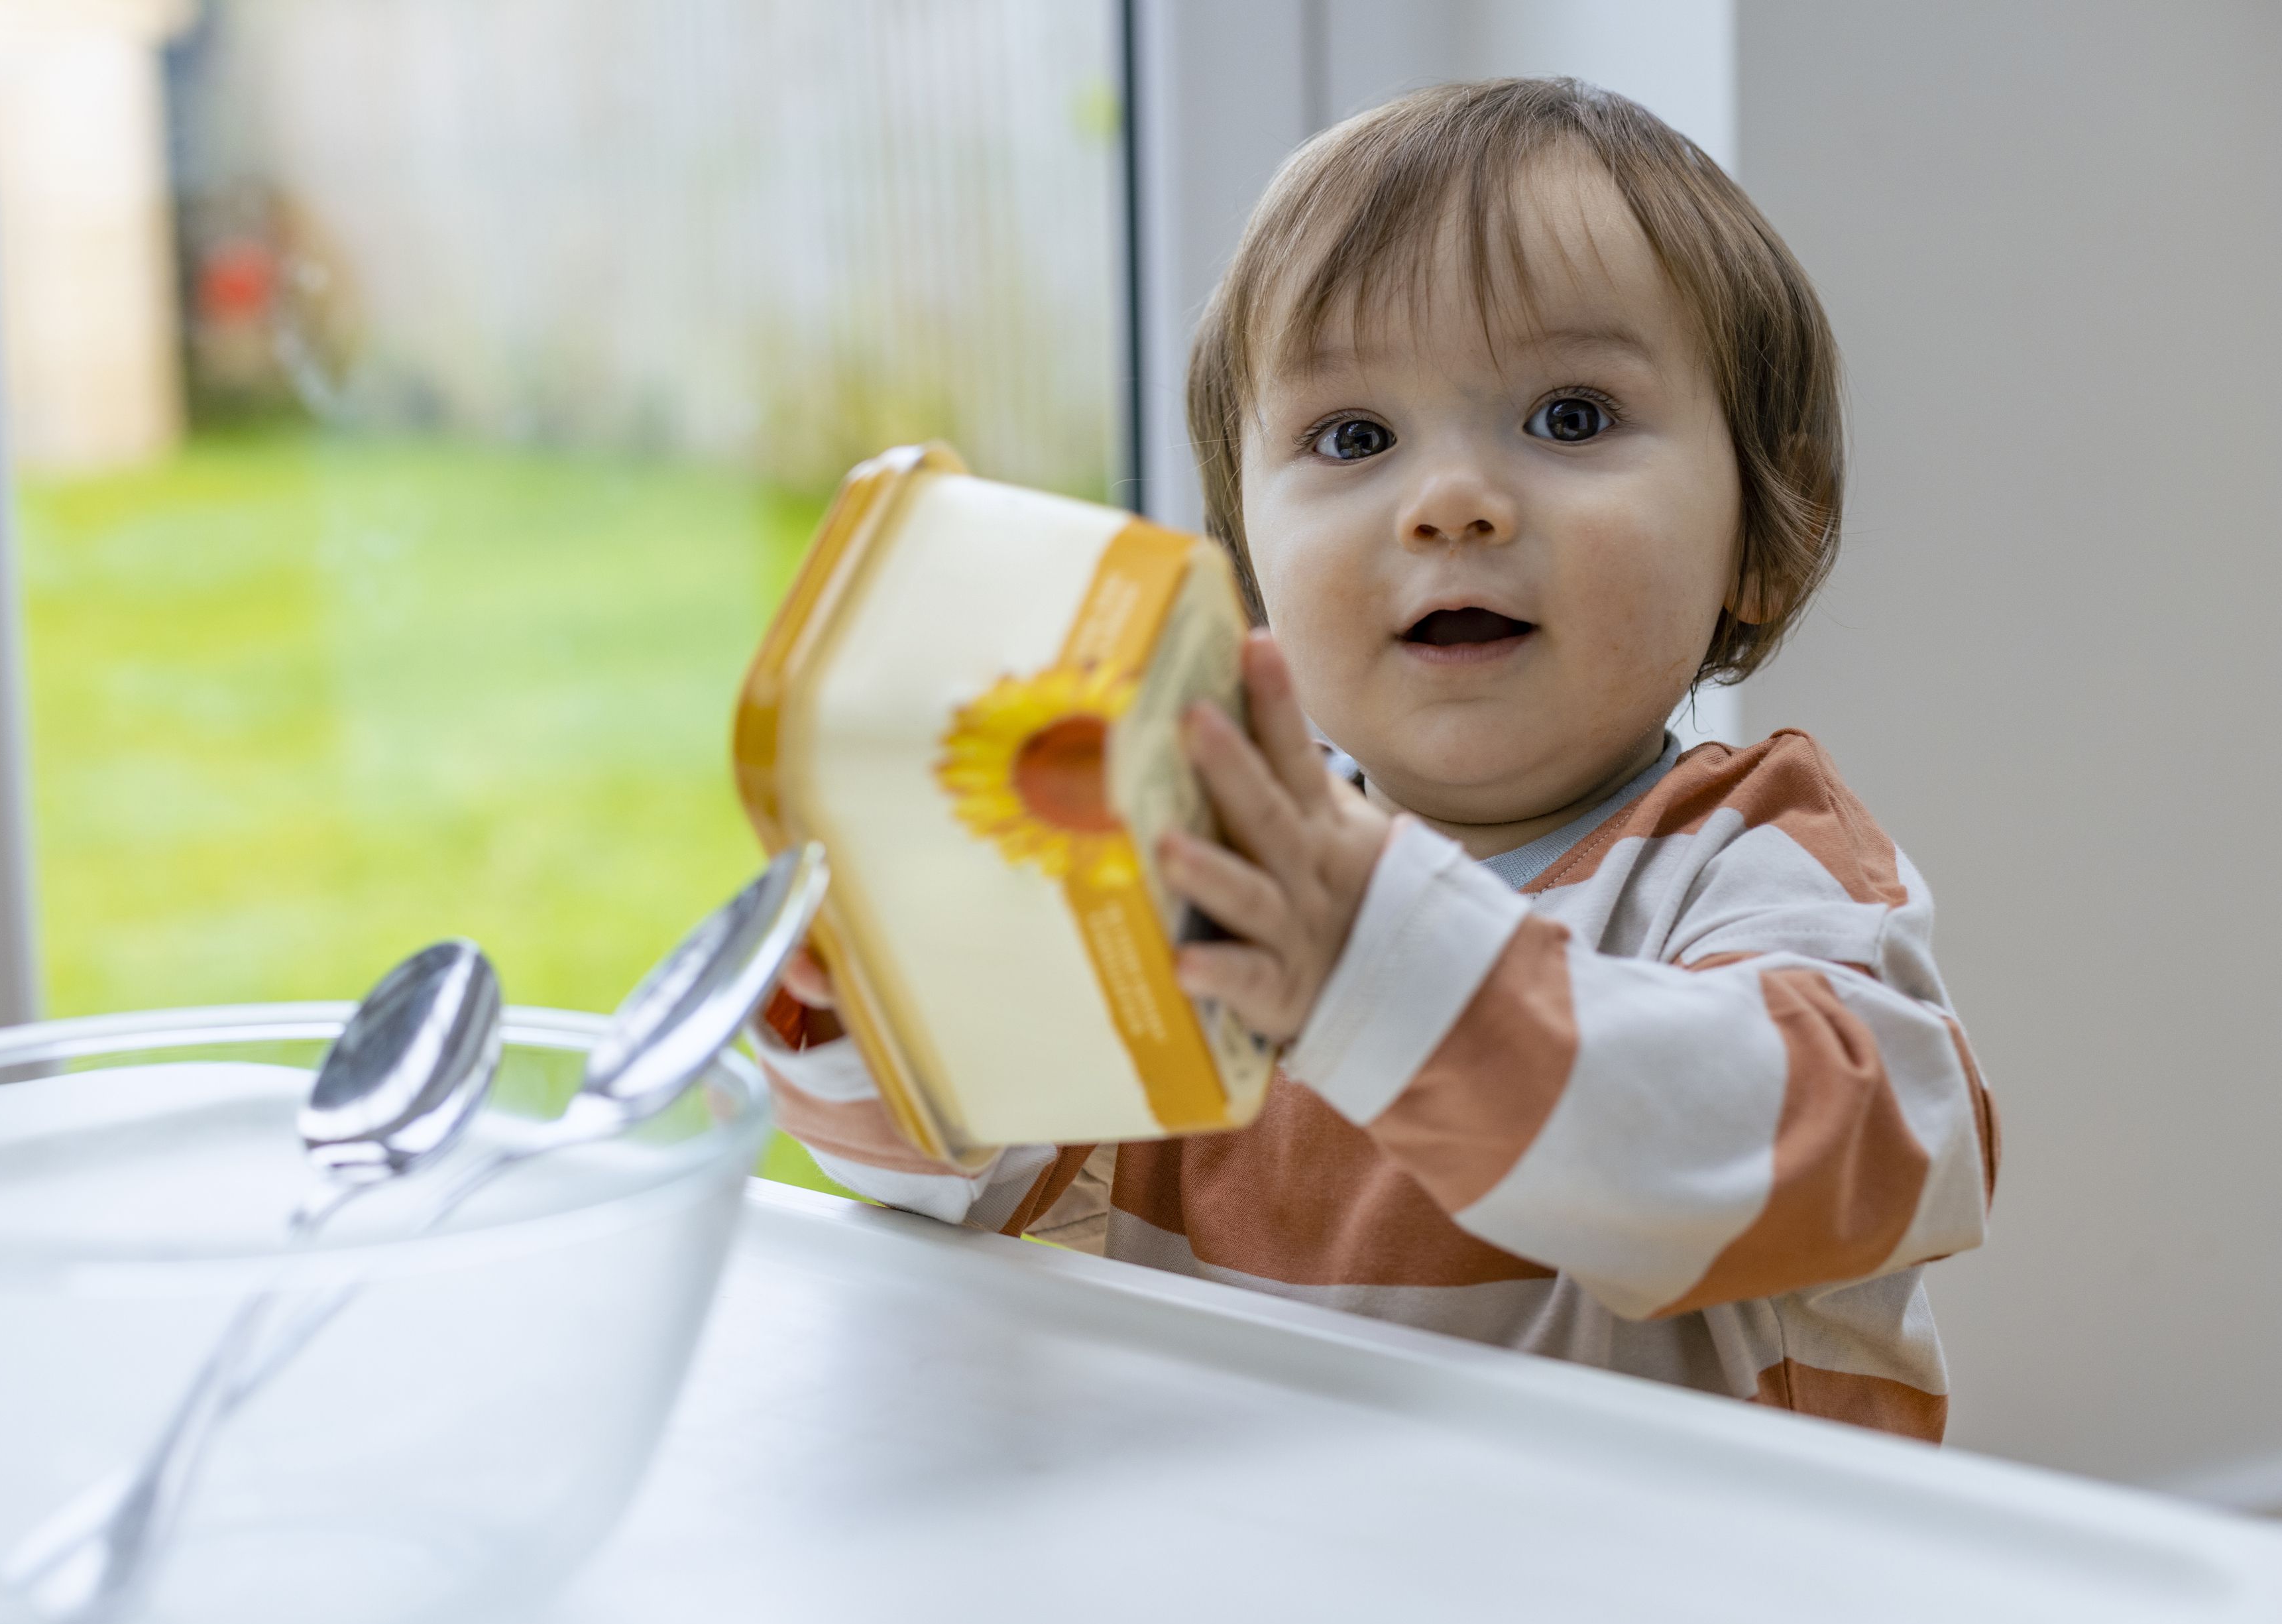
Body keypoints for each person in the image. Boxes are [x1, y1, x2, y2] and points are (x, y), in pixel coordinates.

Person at [754, 78, 1997, 1442]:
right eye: (1354, 437)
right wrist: (875, 1001)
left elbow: (1874, 1154)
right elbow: (976, 1176)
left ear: (1771, 524)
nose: (1449, 501)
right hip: (1299, 1600)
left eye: (1571, 415)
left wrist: (1381, 968)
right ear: (1245, 562)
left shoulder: (1756, 858)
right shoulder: (1207, 879)